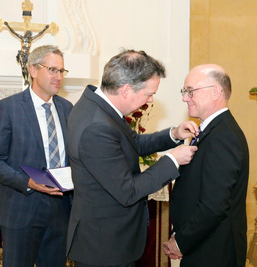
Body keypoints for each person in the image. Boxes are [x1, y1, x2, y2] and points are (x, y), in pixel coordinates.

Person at [66, 49, 199, 267]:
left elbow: (132, 144)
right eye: (148, 94)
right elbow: (127, 191)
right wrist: (172, 161)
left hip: (109, 239)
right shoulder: (97, 126)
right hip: (103, 246)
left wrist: (173, 135)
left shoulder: (100, 107)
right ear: (126, 89)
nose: (151, 100)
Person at [0, 45, 72, 267]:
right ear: (33, 70)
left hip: (62, 210)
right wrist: (29, 182)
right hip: (21, 207)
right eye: (52, 70)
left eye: (61, 71)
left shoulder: (67, 108)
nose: (58, 77)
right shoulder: (8, 108)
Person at [164, 64, 249, 267]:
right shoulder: (213, 130)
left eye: (190, 91)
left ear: (216, 91)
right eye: (185, 92)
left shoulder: (223, 136)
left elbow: (214, 206)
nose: (185, 98)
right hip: (204, 245)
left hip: (215, 251)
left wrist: (181, 241)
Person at [4, 21, 50, 85]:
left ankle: (27, 79)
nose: (29, 35)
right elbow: (14, 32)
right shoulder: (22, 38)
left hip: (28, 55)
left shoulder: (30, 39)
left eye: (30, 34)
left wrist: (45, 29)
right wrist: (7, 26)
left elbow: (39, 34)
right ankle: (25, 79)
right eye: (28, 34)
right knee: (23, 67)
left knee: (28, 68)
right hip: (22, 54)